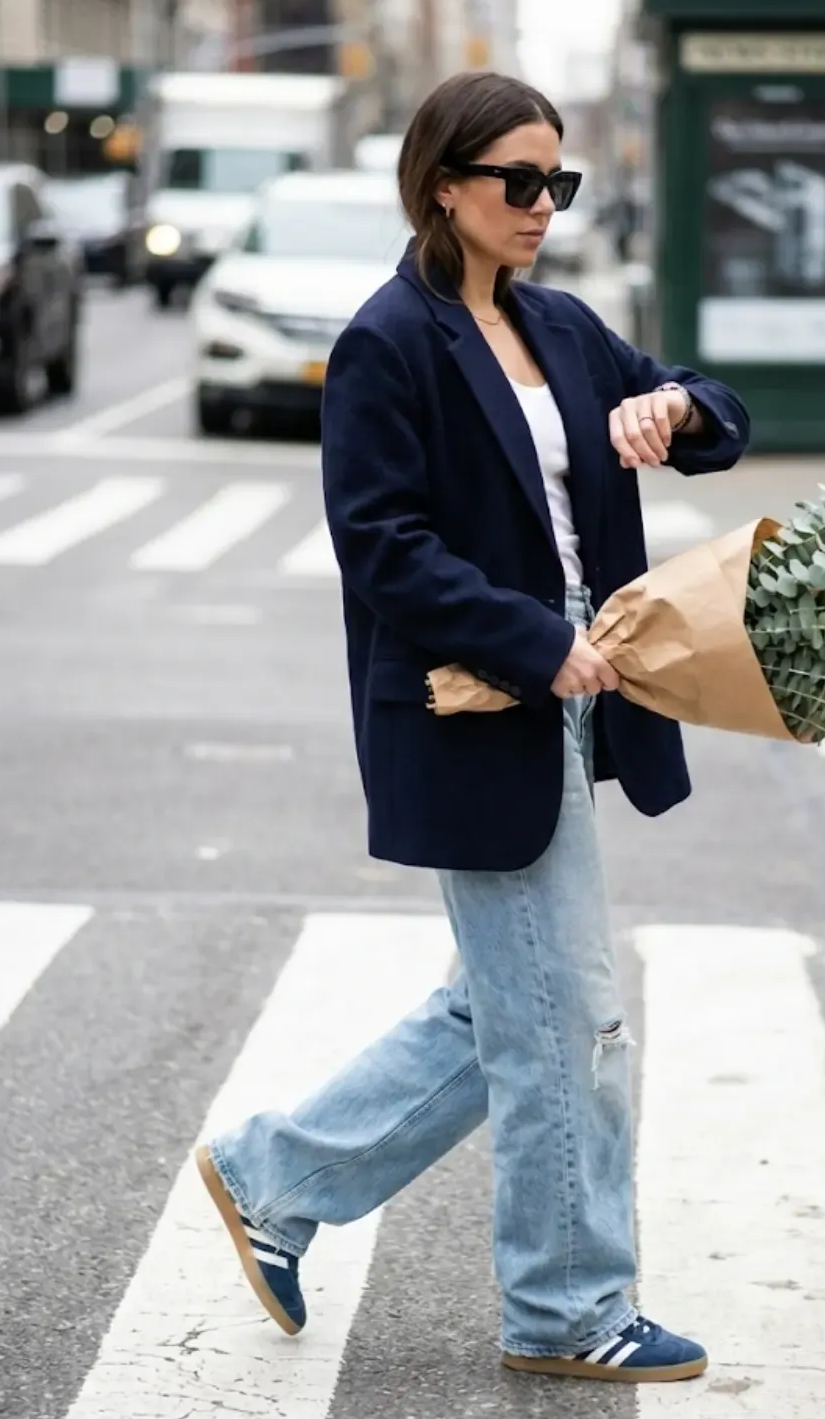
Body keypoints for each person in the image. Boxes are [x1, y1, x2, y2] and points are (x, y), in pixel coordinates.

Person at [196, 71, 750, 1385]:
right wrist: (535, 640)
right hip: (483, 697)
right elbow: (381, 545)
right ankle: (566, 1308)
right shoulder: (390, 341)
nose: (544, 205)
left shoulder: (561, 325)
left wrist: (680, 409)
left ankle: (275, 1176)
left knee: (500, 1005)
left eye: (560, 182)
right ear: (443, 185)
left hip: (585, 678)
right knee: (568, 1021)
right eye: (519, 181)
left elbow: (709, 411)